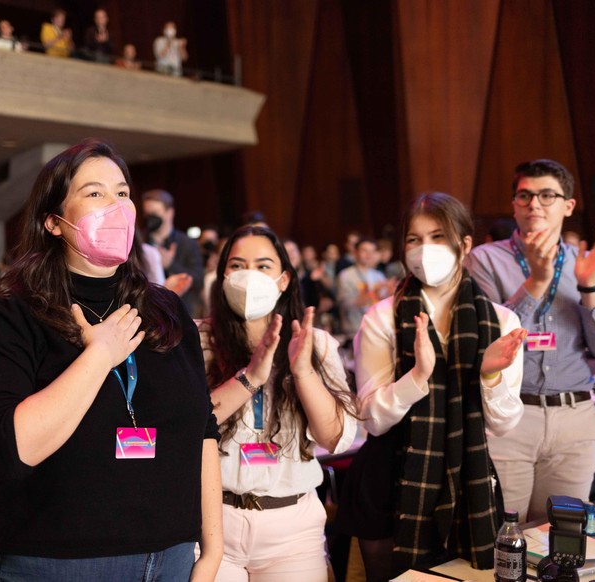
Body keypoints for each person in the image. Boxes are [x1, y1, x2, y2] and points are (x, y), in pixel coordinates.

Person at [0, 139, 222, 580]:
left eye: (122, 193)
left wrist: (213, 549)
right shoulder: (12, 312)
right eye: (95, 193)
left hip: (171, 557)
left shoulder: (165, 310)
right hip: (56, 563)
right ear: (53, 221)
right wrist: (97, 356)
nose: (116, 206)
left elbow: (203, 431)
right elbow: (8, 450)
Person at [339, 192, 526, 580]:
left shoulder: (501, 322)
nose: (425, 249)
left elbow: (505, 424)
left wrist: (489, 374)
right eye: (414, 239)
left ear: (465, 244)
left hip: (467, 476)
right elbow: (372, 419)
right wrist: (416, 378)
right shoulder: (382, 317)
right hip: (390, 478)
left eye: (438, 236)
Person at [465, 159, 595, 523]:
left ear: (567, 206)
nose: (534, 204)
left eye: (546, 195)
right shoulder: (485, 260)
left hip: (575, 420)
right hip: (508, 419)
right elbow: (485, 344)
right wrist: (536, 283)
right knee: (504, 539)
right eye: (525, 196)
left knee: (562, 537)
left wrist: (589, 288)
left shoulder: (587, 263)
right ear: (514, 204)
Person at [199, 224, 358, 581]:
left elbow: (335, 437)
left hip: (291, 528)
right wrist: (250, 377)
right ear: (222, 276)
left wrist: (304, 373)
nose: (249, 276)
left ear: (284, 279)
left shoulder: (314, 343)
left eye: (263, 266)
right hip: (212, 520)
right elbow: (188, 423)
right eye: (237, 266)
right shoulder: (199, 341)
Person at [142, 189, 205, 317]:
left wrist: (171, 265)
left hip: (181, 311)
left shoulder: (187, 243)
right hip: (149, 312)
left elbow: (198, 280)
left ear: (169, 213)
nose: (150, 219)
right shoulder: (140, 243)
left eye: (154, 213)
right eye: (147, 214)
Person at [336, 238, 390, 338]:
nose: (369, 255)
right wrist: (368, 296)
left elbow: (383, 304)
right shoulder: (345, 275)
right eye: (365, 250)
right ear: (355, 252)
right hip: (354, 330)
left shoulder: (379, 276)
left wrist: (390, 295)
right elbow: (343, 303)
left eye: (372, 251)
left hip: (376, 329)